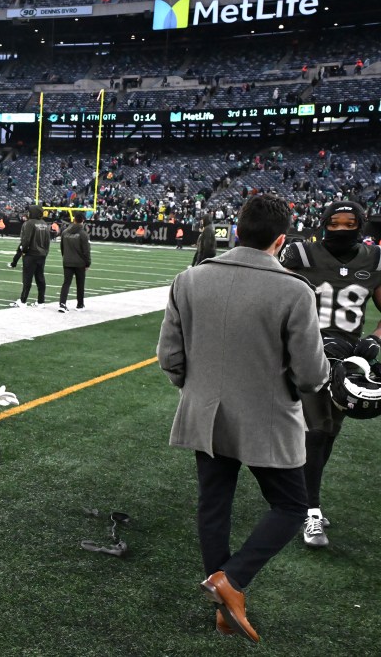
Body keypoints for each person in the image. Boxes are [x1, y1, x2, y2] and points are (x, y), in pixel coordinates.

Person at [157, 194, 329, 643]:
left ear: (236, 230)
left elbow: (169, 357)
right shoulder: (294, 289)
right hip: (268, 419)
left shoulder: (189, 279)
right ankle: (231, 583)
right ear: (281, 240)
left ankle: (223, 597)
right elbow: (311, 374)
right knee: (292, 505)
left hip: (206, 416)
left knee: (214, 506)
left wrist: (197, 391)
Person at [280, 200, 381, 548]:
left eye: (348, 223)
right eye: (334, 223)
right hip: (307, 354)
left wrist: (372, 341)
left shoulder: (374, 259)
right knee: (318, 430)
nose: (341, 229)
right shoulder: (301, 255)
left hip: (347, 361)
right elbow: (277, 304)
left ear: (361, 225)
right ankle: (310, 511)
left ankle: (305, 497)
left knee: (329, 433)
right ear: (323, 224)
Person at [10, 205, 50, 307]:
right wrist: (45, 253)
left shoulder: (29, 223)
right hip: (42, 255)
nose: (28, 213)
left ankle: (23, 301)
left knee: (27, 278)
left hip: (31, 254)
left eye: (29, 211)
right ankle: (41, 301)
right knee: (40, 278)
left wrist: (23, 250)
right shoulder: (45, 224)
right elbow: (47, 242)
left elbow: (26, 240)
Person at [58, 211, 90, 312]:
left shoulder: (65, 232)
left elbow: (62, 248)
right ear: (83, 221)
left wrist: (65, 257)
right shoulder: (83, 234)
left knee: (66, 283)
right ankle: (80, 305)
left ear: (74, 220)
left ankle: (62, 304)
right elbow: (86, 251)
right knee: (80, 284)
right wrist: (88, 263)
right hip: (80, 263)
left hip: (67, 261)